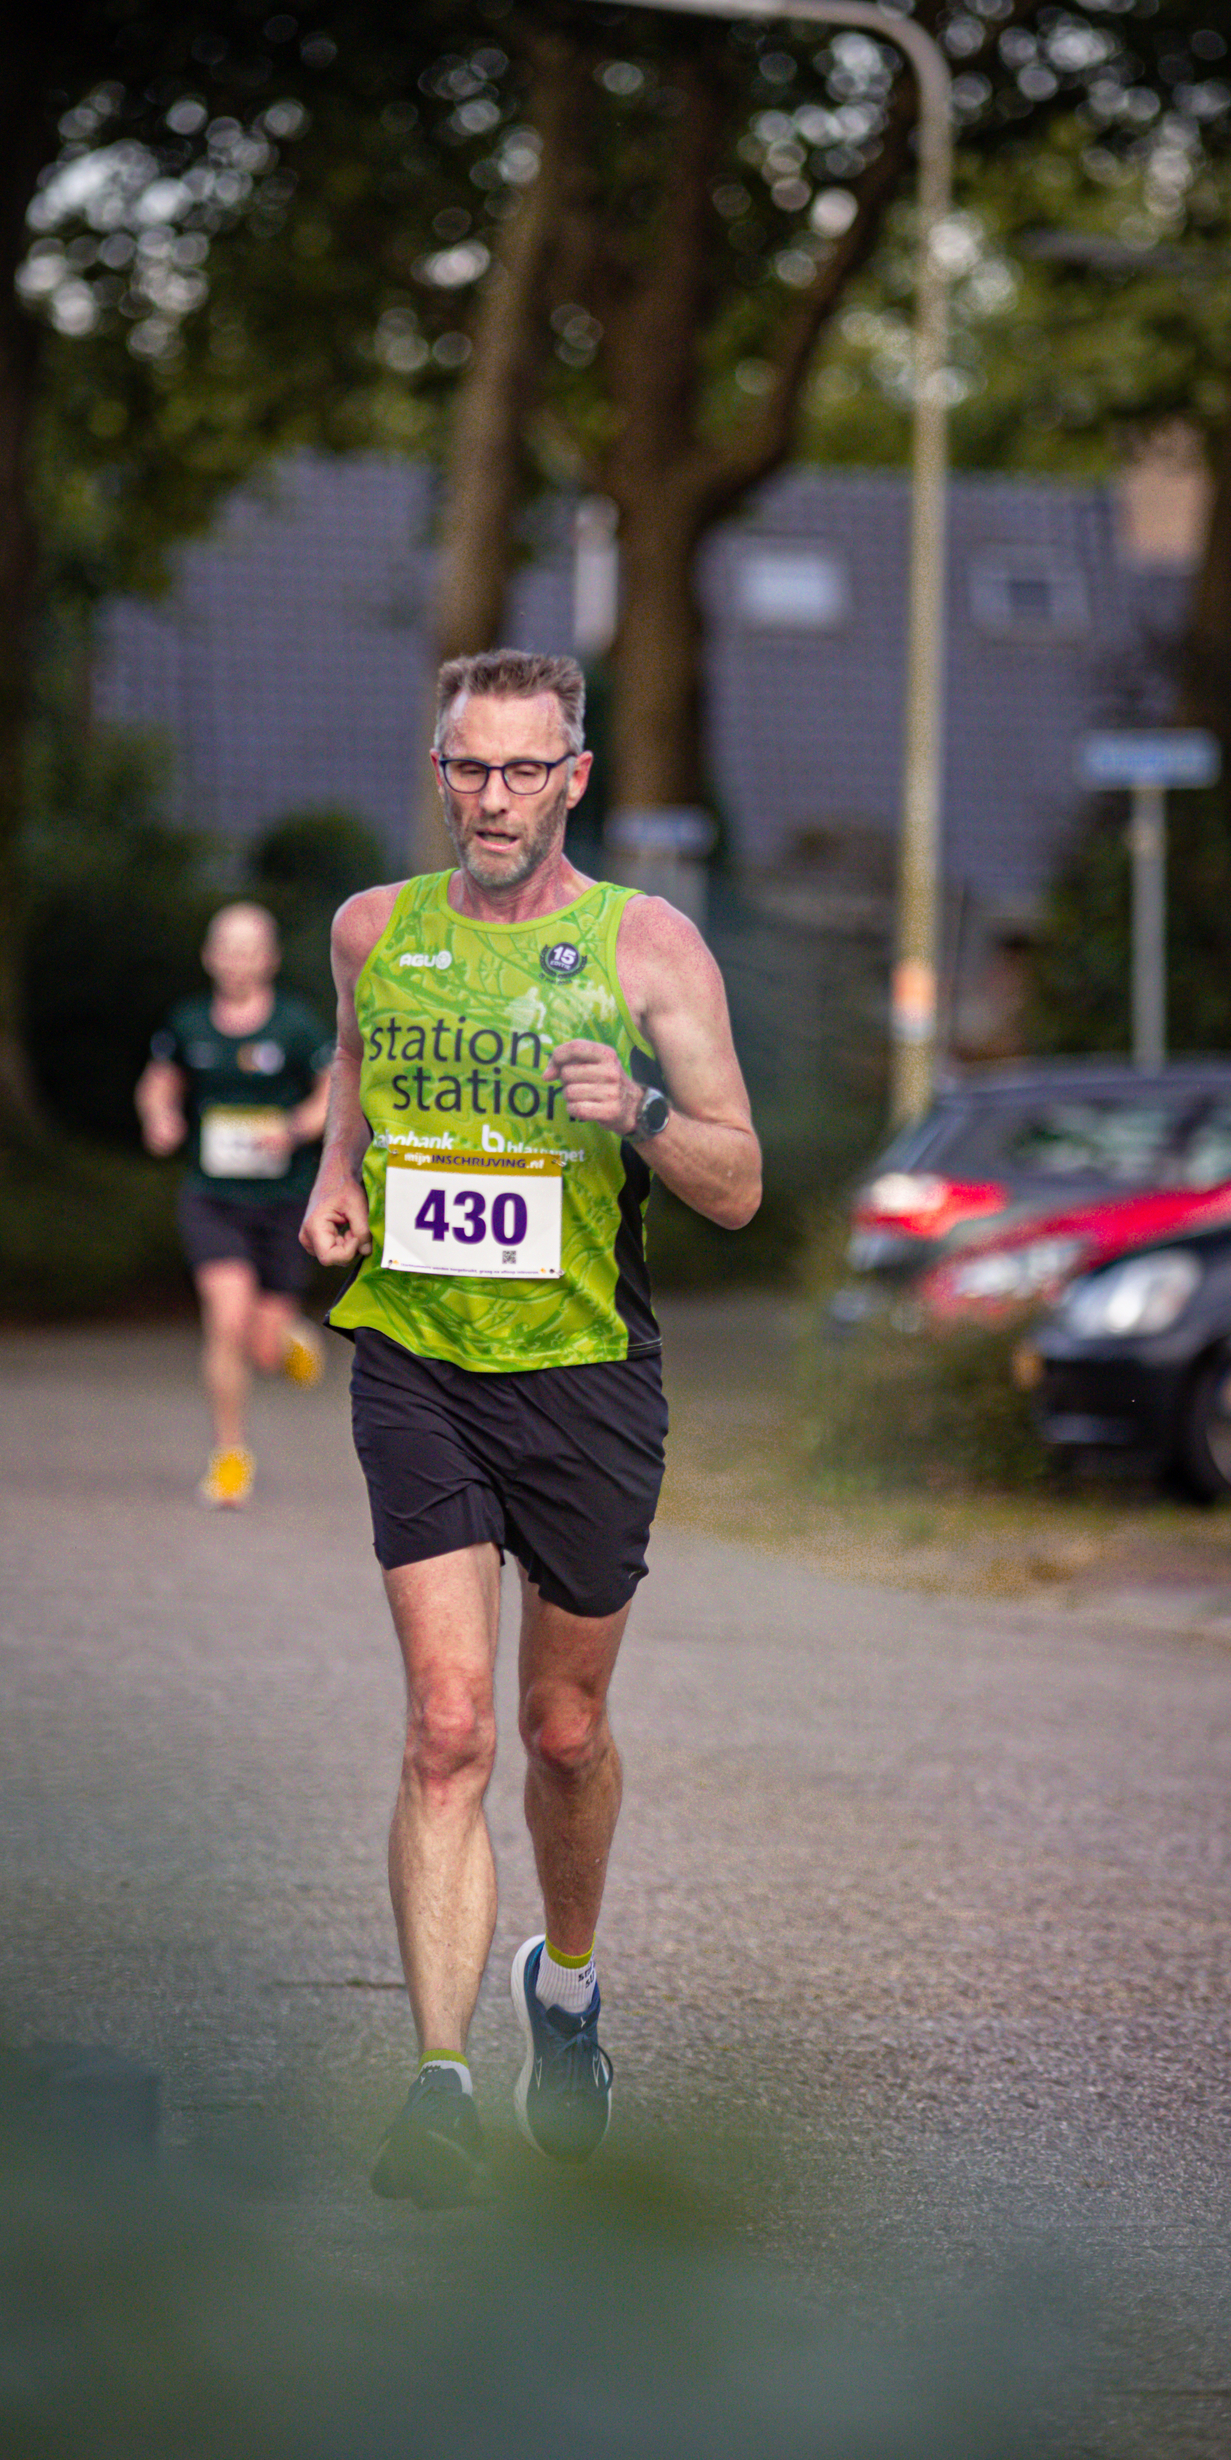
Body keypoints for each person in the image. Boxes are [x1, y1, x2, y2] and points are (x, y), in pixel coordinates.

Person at [301, 647, 761, 2208]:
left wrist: (633, 1111)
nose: (490, 801)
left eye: (521, 772)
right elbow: (355, 1057)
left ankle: (563, 1989)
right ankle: (437, 2086)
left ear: (573, 776)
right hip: (415, 1361)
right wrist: (335, 1176)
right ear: (438, 771)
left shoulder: (648, 948)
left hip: (582, 1376)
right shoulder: (376, 928)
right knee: (447, 1728)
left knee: (562, 1734)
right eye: (465, 770)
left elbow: (743, 1180)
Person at [137, 902, 334, 1508]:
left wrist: (296, 1128)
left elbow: (333, 1094)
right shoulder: (189, 1023)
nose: (239, 960)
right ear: (209, 956)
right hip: (213, 1197)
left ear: (270, 959)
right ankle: (230, 1456)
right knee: (225, 1319)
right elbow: (158, 1081)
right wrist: (160, 1116)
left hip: (281, 1201)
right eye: (228, 948)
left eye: (251, 949)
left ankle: (289, 1337)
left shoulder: (297, 1027)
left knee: (261, 1346)